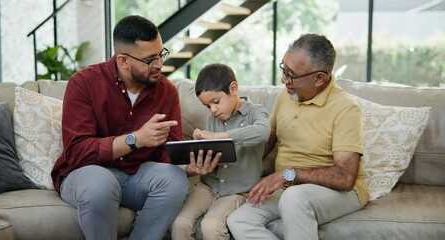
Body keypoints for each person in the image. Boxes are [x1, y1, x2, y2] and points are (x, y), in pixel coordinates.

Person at [51, 15, 219, 240]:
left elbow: (168, 153)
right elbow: (77, 152)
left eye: (161, 54)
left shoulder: (166, 91)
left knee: (174, 180)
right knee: (101, 183)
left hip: (137, 176)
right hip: (88, 174)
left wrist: (189, 168)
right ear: (123, 60)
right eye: (150, 59)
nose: (159, 64)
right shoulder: (84, 83)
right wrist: (135, 139)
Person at [227, 33, 369, 240]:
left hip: (341, 193)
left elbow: (345, 178)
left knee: (294, 197)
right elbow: (266, 142)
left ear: (319, 78)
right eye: (284, 69)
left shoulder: (346, 108)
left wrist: (287, 175)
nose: (284, 79)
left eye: (291, 74)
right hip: (290, 187)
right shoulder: (286, 95)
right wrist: (226, 154)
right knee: (238, 220)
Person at [170, 63, 271, 240]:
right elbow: (213, 152)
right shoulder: (213, 119)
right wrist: (200, 143)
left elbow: (263, 131)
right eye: (207, 106)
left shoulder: (255, 112)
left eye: (216, 102)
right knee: (180, 223)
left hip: (237, 190)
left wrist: (221, 136)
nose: (213, 110)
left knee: (211, 227)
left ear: (233, 88)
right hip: (208, 185)